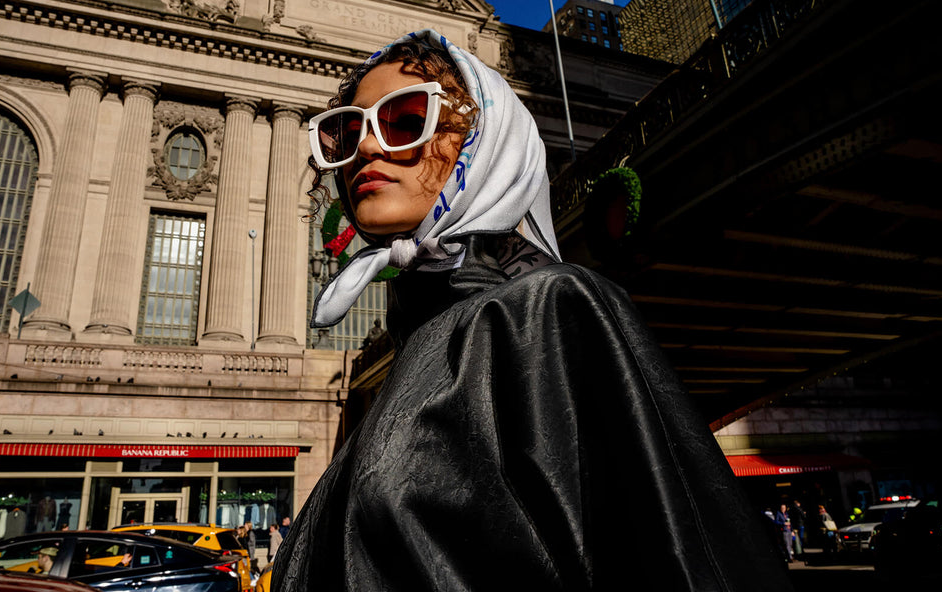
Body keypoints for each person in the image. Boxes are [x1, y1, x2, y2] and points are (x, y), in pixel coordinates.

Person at [272, 29, 792, 590]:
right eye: (348, 131)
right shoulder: (419, 346)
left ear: (483, 140)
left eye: (404, 119)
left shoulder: (547, 306)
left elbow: (681, 564)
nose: (369, 148)